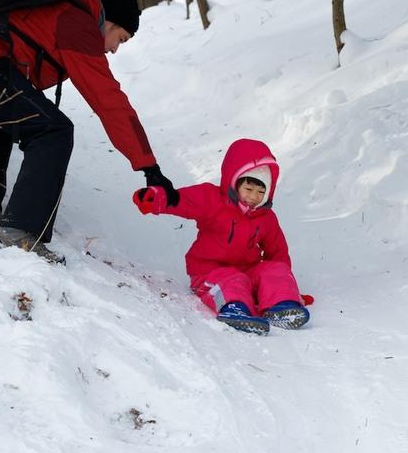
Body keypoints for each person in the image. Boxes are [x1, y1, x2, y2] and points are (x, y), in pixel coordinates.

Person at [0, 0, 177, 263]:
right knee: (54, 130)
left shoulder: (56, 7)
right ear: (108, 21)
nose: (114, 50)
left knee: (2, 115)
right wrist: (148, 166)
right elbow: (109, 101)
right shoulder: (76, 22)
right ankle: (19, 232)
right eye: (121, 39)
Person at [133, 137, 310, 335]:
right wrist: (156, 199)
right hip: (210, 271)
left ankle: (283, 306)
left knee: (274, 269)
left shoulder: (266, 217)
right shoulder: (212, 199)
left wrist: (286, 286)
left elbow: (277, 251)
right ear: (234, 182)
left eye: (262, 191)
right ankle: (235, 308)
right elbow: (183, 201)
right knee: (231, 281)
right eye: (249, 189)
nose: (254, 197)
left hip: (247, 270)